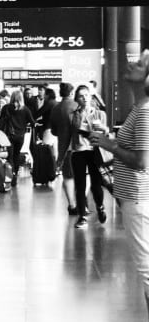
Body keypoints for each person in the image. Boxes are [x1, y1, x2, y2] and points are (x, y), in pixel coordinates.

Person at [90, 54, 149, 322]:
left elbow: (141, 161)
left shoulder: (145, 112)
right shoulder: (138, 109)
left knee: (146, 267)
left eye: (138, 65)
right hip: (135, 197)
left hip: (139, 198)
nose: (130, 65)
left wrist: (108, 144)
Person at [69, 84, 110, 228]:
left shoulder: (100, 114)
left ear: (91, 97)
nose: (84, 98)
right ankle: (82, 216)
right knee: (80, 185)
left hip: (95, 151)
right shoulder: (74, 115)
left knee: (96, 184)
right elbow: (71, 134)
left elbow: (105, 134)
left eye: (86, 95)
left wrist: (104, 129)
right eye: (81, 96)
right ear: (77, 99)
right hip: (79, 151)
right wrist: (61, 157)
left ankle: (100, 206)